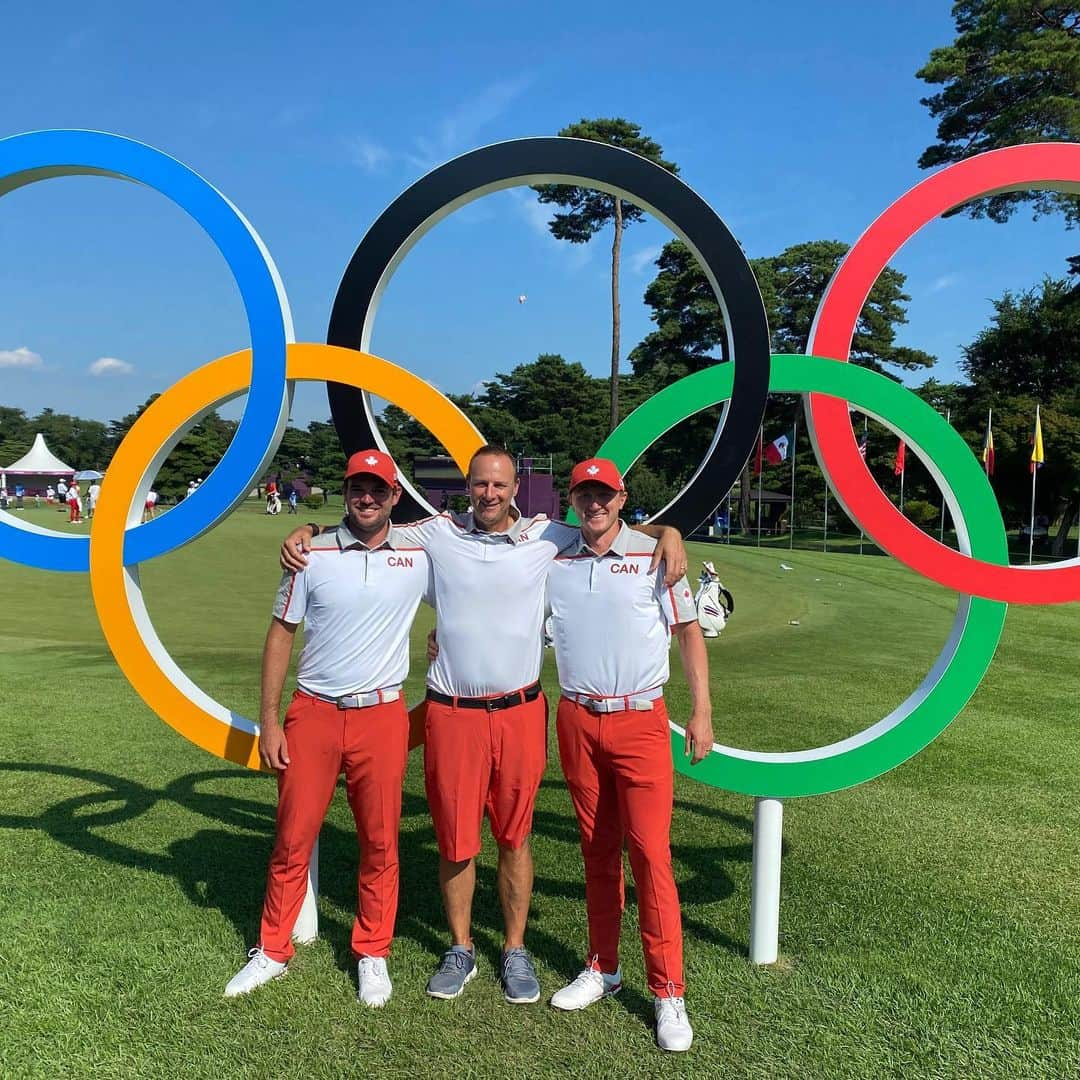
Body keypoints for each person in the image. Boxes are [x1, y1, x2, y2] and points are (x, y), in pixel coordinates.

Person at [280, 446, 689, 1006]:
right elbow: (368, 526)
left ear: (515, 487)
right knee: (455, 839)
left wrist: (667, 531)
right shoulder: (436, 534)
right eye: (479, 485)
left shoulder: (549, 537)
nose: (489, 494)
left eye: (498, 485)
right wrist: (308, 527)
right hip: (453, 712)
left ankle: (516, 948)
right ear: (467, 486)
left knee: (516, 835)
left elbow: (610, 528)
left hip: (521, 710)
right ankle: (462, 947)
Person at [226, 450, 431, 1007]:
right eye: (357, 489)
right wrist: (270, 721)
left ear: (395, 495)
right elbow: (280, 634)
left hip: (382, 715)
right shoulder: (308, 553)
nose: (366, 498)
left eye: (378, 490)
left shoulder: (419, 554)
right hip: (313, 711)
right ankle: (271, 948)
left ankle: (372, 951)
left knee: (381, 840)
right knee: (292, 837)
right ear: (346, 492)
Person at [545, 458, 713, 1052]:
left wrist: (701, 711)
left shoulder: (655, 554)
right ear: (572, 498)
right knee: (597, 850)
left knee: (650, 856)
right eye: (584, 495)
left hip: (640, 720)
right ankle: (603, 967)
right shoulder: (551, 551)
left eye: (604, 495)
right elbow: (481, 524)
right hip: (576, 717)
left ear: (622, 498)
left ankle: (668, 992)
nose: (594, 505)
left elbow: (689, 631)